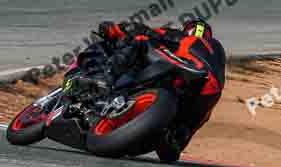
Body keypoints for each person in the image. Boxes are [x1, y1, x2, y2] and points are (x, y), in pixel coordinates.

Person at [95, 18, 226, 159]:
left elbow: (147, 31)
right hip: (207, 91)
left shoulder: (184, 39)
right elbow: (171, 154)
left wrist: (117, 29)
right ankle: (174, 135)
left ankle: (106, 77)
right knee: (183, 134)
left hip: (183, 73)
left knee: (140, 40)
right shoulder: (216, 54)